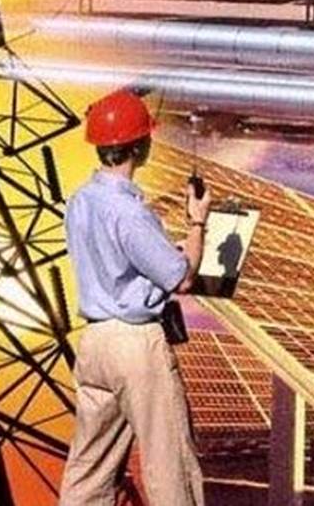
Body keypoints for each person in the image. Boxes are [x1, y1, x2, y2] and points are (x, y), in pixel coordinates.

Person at [58, 88, 210, 506]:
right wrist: (197, 224)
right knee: (169, 466)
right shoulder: (129, 211)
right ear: (140, 146)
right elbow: (181, 278)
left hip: (94, 344)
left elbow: (114, 257)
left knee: (88, 473)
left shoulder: (80, 201)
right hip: (135, 345)